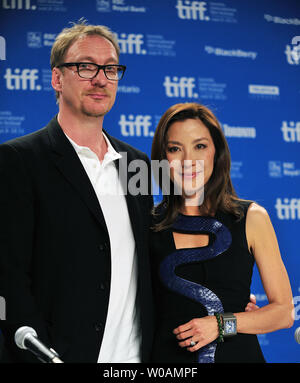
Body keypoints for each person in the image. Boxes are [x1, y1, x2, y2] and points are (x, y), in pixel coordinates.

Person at [0, 21, 154, 363]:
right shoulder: (19, 160)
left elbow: (151, 256)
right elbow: (9, 276)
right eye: (86, 66)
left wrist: (221, 291)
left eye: (110, 68)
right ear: (57, 79)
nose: (100, 78)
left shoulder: (136, 163)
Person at [150, 102, 294, 363]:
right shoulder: (147, 224)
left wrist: (222, 323)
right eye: (174, 149)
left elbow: (284, 314)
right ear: (163, 159)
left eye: (200, 146)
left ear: (216, 153)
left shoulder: (251, 218)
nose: (188, 160)